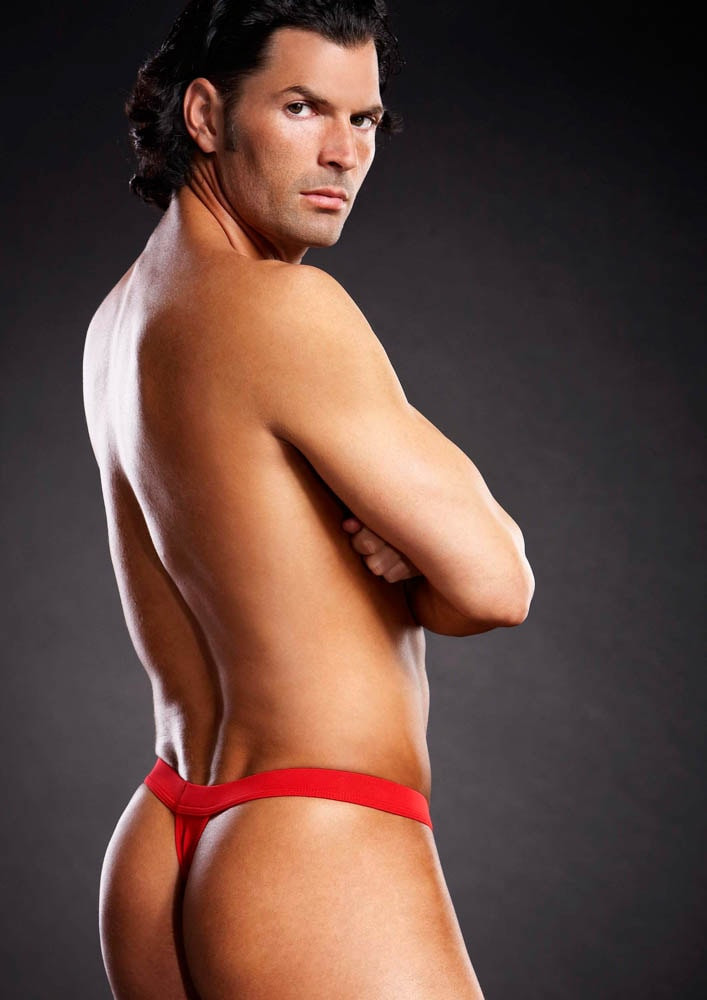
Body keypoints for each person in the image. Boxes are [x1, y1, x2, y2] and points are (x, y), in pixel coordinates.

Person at [82, 2, 534, 997]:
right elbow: (496, 583)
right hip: (308, 838)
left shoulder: (121, 319)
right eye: (301, 108)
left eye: (363, 118)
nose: (343, 153)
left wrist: (417, 559)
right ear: (205, 115)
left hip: (167, 828)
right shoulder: (285, 306)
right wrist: (422, 562)